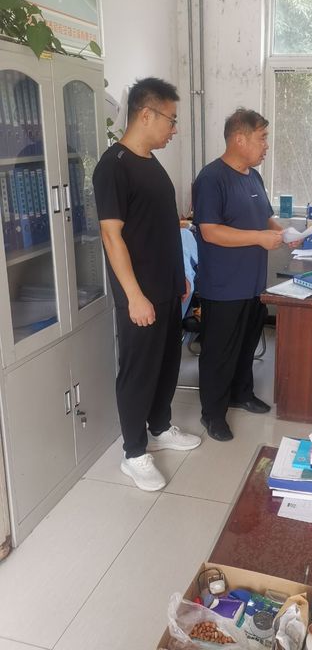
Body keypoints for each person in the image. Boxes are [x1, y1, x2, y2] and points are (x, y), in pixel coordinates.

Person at [93, 77, 201, 492]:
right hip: (139, 293)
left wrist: (179, 275)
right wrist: (134, 296)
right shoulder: (113, 167)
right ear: (146, 114)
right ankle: (134, 453)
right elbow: (111, 236)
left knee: (167, 363)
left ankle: (160, 427)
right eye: (171, 120)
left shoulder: (151, 163)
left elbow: (160, 226)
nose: (174, 129)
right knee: (138, 371)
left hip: (166, 286)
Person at [192, 108, 284, 442]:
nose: (266, 145)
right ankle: (212, 414)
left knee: (246, 345)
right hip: (223, 286)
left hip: (253, 283)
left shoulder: (253, 177)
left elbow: (265, 218)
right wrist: (259, 237)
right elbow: (210, 231)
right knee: (219, 354)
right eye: (262, 138)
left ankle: (241, 393)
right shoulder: (211, 179)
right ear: (239, 139)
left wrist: (282, 232)